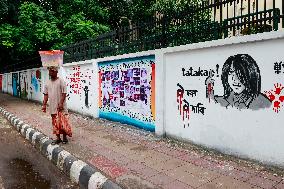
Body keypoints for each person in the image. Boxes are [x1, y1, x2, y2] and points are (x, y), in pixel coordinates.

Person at [206, 54, 271, 110]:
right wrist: (209, 87)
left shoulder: (262, 103)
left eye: (239, 73)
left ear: (250, 75)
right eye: (231, 72)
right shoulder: (228, 100)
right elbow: (213, 102)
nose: (234, 79)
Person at [42, 66, 72, 144]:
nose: (50, 72)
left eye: (52, 71)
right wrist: (44, 105)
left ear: (56, 72)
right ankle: (58, 138)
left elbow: (64, 93)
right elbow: (45, 94)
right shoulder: (47, 83)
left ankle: (65, 137)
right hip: (52, 106)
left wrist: (61, 103)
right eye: (49, 71)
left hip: (61, 107)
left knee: (63, 122)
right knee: (55, 122)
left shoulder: (61, 81)